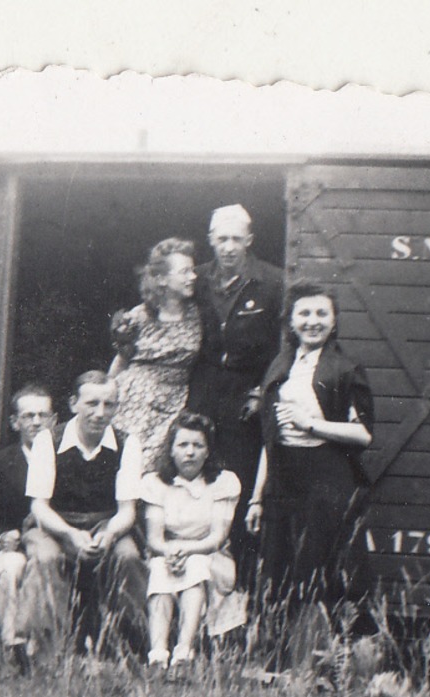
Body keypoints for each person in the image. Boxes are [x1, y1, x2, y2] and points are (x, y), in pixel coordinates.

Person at [245, 283, 374, 668]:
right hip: (283, 481)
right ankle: (280, 665)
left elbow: (363, 434)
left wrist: (312, 424)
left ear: (334, 321)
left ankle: (322, 665)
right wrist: (256, 497)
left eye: (321, 314)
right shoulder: (280, 366)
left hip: (327, 481)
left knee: (320, 573)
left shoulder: (347, 369)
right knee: (279, 573)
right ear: (291, 320)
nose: (312, 321)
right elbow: (271, 439)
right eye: (304, 313)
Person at [189, 204, 285, 583]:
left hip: (246, 396)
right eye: (221, 238)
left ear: (249, 240)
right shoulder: (195, 280)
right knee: (196, 477)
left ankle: (239, 586)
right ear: (210, 240)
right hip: (202, 392)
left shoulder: (273, 282)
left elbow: (283, 347)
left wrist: (262, 390)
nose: (228, 247)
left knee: (240, 486)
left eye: (235, 239)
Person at [21, 370, 148, 657]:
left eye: (109, 405)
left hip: (107, 525)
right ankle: (45, 654)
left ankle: (129, 649)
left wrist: (110, 534)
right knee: (46, 557)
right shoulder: (48, 441)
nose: (100, 413)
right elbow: (39, 506)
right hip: (54, 525)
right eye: (92, 404)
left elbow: (127, 510)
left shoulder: (128, 443)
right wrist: (69, 534)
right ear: (73, 404)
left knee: (128, 557)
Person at [140, 412, 243, 671]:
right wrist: (172, 552)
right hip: (167, 552)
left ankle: (184, 652)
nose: (190, 453)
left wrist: (185, 550)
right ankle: (158, 654)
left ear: (208, 451)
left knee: (196, 565)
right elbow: (154, 539)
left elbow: (217, 537)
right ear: (171, 450)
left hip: (211, 555)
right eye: (183, 445)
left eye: (198, 445)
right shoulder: (155, 483)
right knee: (160, 570)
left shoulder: (224, 482)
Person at [0, 384, 56, 672]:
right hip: (12, 543)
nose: (36, 422)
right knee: (9, 567)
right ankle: (13, 647)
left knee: (45, 562)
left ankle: (43, 650)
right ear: (14, 422)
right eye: (29, 415)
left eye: (43, 415)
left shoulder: (64, 458)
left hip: (51, 543)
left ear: (54, 420)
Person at [108, 238, 204, 474]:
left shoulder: (198, 315)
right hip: (135, 400)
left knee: (161, 468)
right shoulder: (138, 317)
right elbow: (121, 361)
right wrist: (107, 396)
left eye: (193, 270)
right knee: (130, 464)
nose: (193, 276)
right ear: (161, 279)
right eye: (184, 272)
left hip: (175, 400)